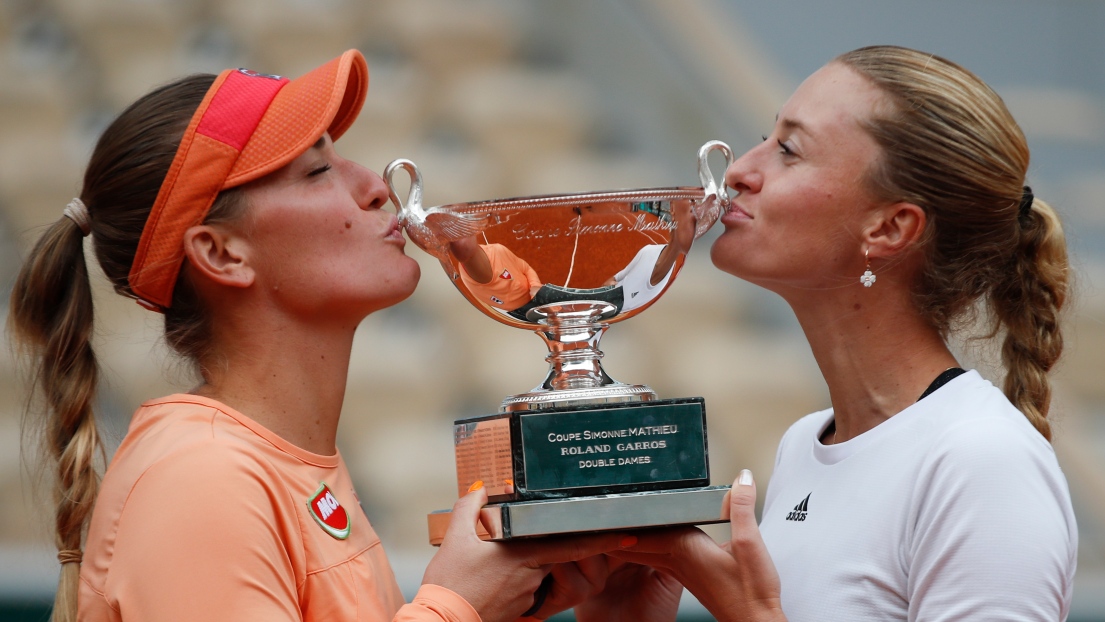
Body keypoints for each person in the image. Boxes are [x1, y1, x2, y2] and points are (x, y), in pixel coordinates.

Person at [9, 50, 636, 622]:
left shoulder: (269, 459)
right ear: (222, 254)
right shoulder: (200, 477)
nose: (374, 187)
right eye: (316, 172)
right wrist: (454, 610)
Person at [580, 44, 1078, 621]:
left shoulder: (980, 460)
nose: (740, 169)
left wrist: (751, 616)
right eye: (768, 138)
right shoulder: (805, 445)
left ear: (890, 227)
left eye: (788, 150)